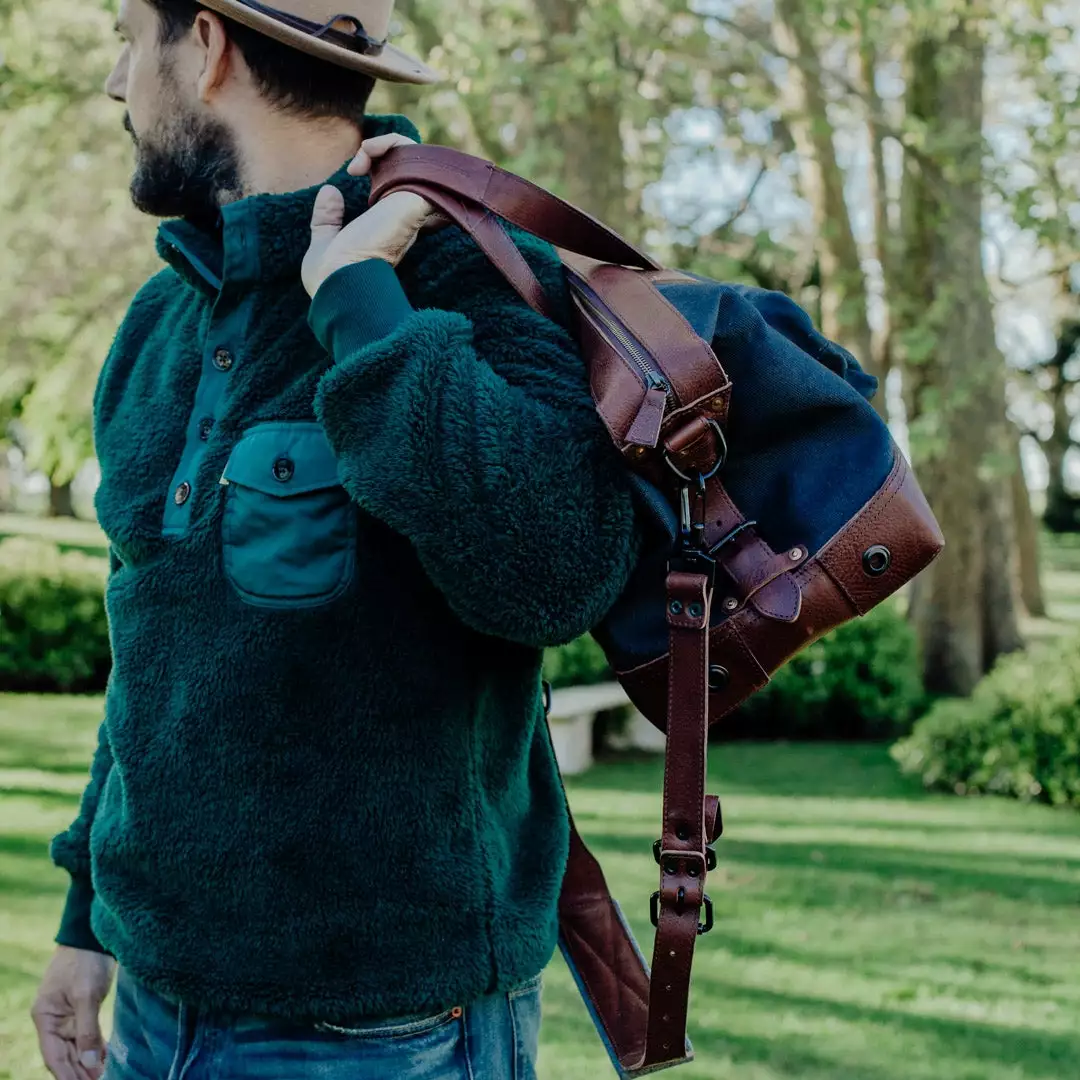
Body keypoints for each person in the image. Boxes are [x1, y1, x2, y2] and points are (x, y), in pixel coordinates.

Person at [29, 1, 640, 1077]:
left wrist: (358, 298)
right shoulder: (156, 328)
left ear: (207, 49)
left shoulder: (472, 273)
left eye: (131, 40)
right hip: (155, 1010)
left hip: (388, 1034)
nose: (121, 82)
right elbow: (152, 661)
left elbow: (556, 578)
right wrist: (86, 919)